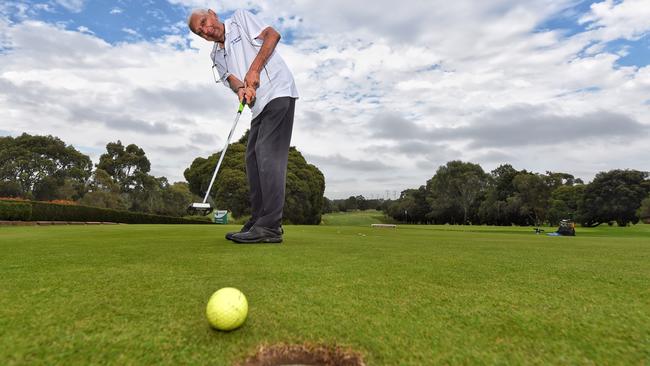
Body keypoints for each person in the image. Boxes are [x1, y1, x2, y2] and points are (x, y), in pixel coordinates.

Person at [188, 8, 299, 244]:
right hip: (258, 105)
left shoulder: (239, 19)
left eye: (205, 22)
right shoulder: (216, 55)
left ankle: (270, 226)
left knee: (267, 155)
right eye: (201, 31)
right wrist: (240, 89)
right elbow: (231, 79)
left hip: (278, 91)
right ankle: (259, 220)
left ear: (212, 13)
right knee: (253, 159)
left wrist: (254, 69)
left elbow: (272, 36)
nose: (207, 30)